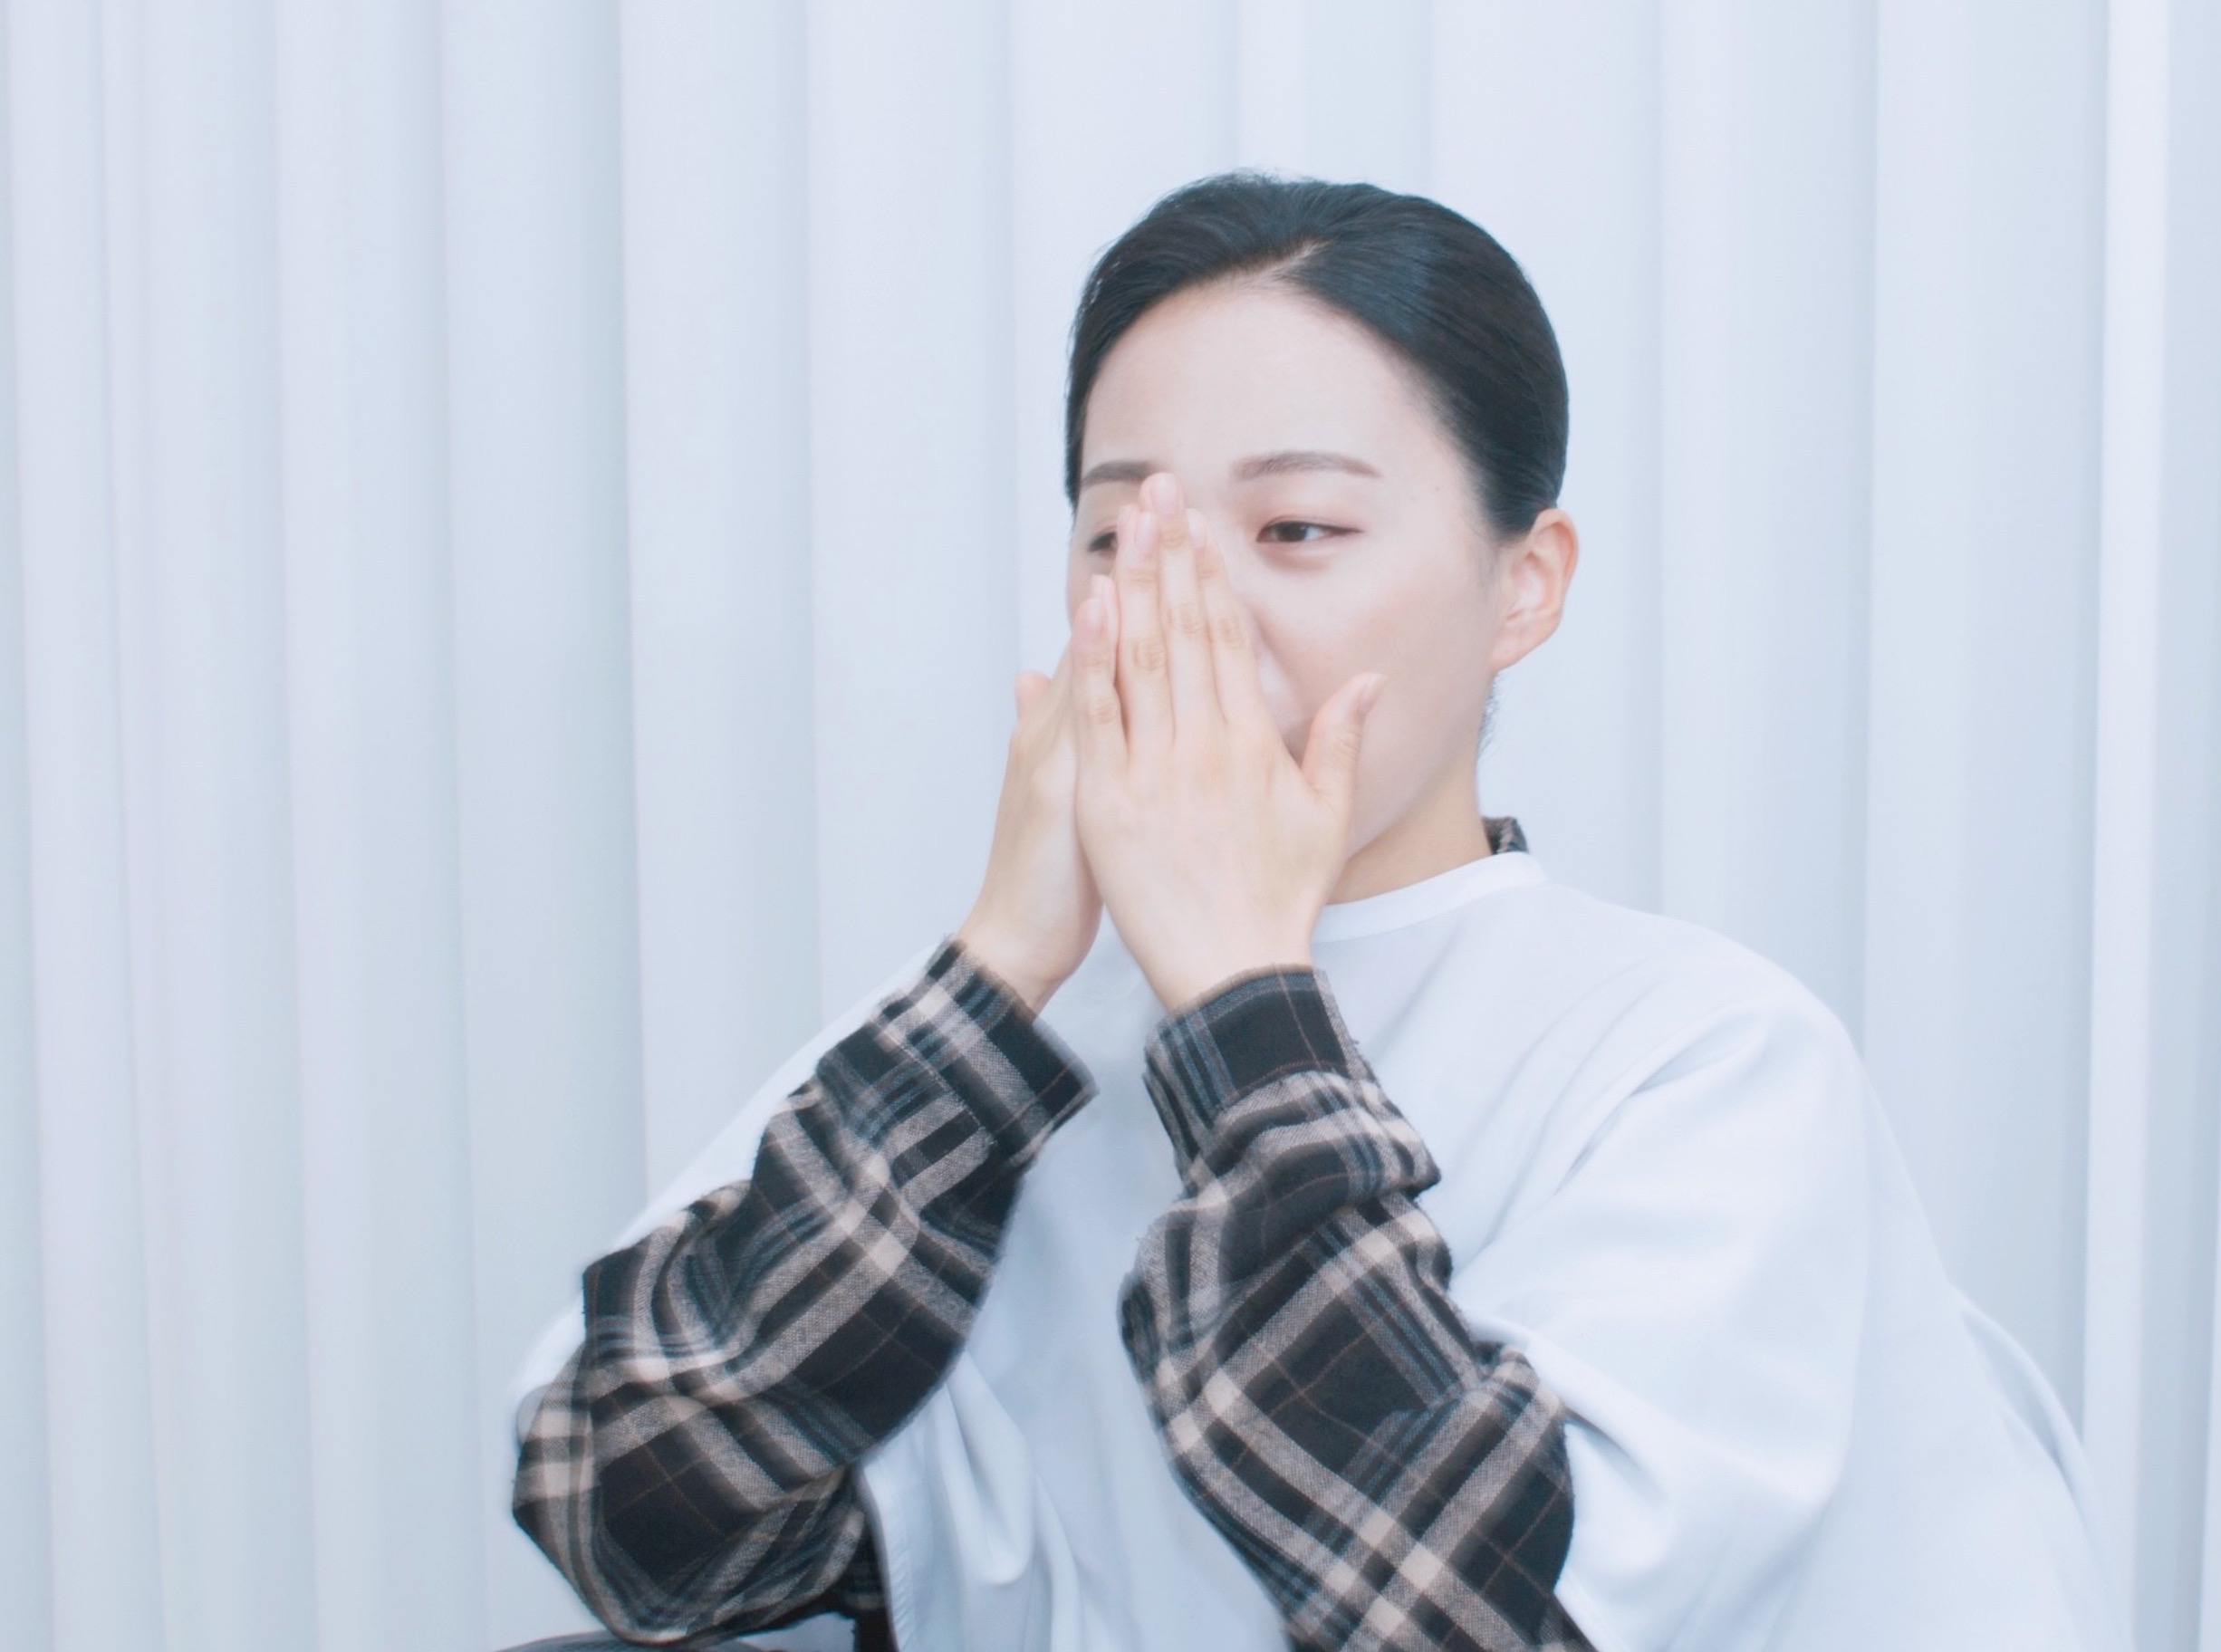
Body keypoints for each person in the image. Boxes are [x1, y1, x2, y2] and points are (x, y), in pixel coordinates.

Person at [505, 173, 2128, 1651]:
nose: (1190, 611)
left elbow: (1481, 1621)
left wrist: (1238, 1000)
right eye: (1118, 536)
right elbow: (633, 1528)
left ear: (1523, 586)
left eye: (1297, 530)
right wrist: (995, 976)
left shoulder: (1700, 1054)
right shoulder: (997, 1059)